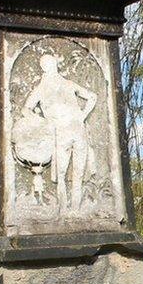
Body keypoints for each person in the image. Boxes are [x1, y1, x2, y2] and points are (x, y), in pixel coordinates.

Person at [24, 54, 96, 210]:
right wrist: (44, 123)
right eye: (50, 64)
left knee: (74, 174)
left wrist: (82, 116)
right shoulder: (44, 89)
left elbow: (92, 97)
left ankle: (71, 211)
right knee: (66, 174)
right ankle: (65, 211)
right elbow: (26, 109)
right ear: (45, 68)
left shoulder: (65, 85)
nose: (52, 67)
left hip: (74, 132)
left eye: (53, 64)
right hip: (67, 132)